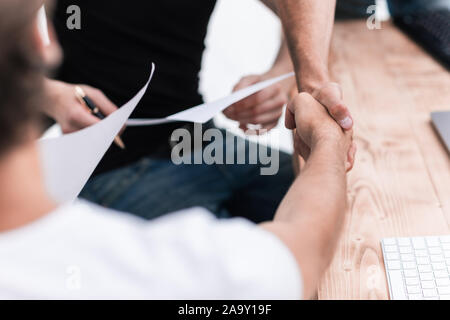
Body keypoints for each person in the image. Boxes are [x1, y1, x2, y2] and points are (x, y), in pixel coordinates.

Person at [0, 0, 355, 299]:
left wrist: (285, 73)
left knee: (354, 227)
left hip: (203, 142)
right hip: (117, 168)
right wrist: (51, 94)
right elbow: (289, 260)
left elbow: (297, 10)